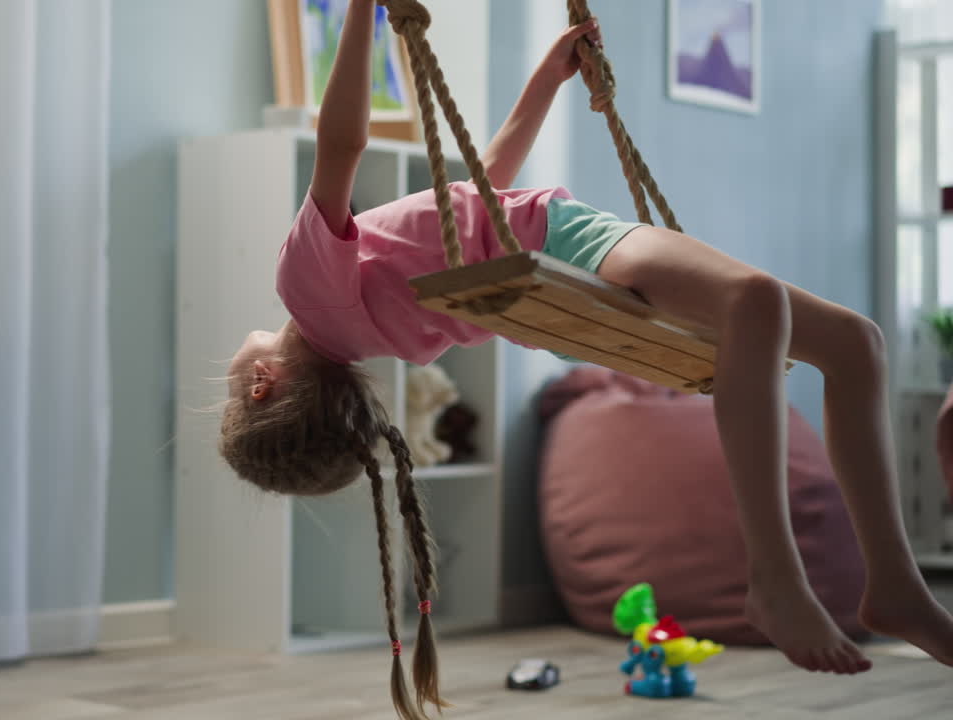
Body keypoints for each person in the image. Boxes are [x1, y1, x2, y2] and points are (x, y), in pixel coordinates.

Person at [219, 1, 953, 717]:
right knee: (758, 302)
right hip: (567, 247)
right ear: (261, 385)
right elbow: (343, 146)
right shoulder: (306, 287)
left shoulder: (387, 336)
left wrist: (546, 78)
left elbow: (476, 192)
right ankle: (775, 575)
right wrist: (361, 13)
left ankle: (894, 586)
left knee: (856, 343)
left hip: (556, 270)